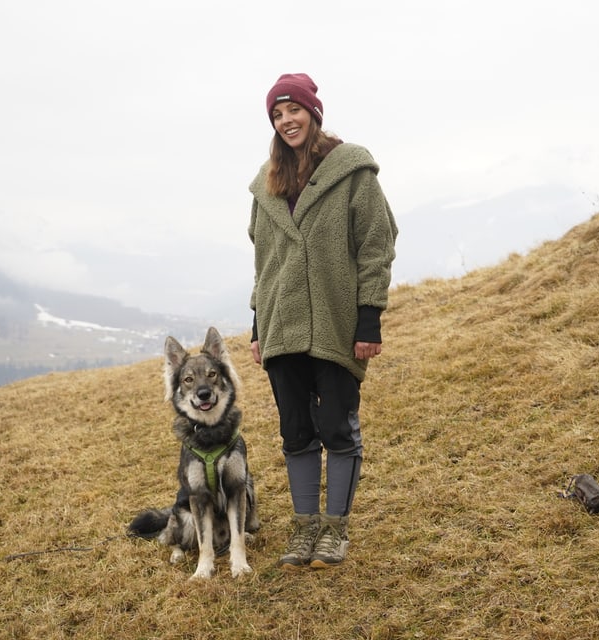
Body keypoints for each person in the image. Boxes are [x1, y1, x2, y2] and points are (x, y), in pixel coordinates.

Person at [247, 73, 398, 569]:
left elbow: (376, 244)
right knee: (295, 431)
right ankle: (305, 528)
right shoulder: (266, 185)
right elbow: (264, 262)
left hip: (334, 322)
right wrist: (256, 327)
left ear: (313, 113)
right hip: (280, 325)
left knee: (336, 426)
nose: (286, 121)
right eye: (277, 114)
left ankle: (335, 531)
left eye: (294, 111)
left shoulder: (352, 171)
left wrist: (369, 318)